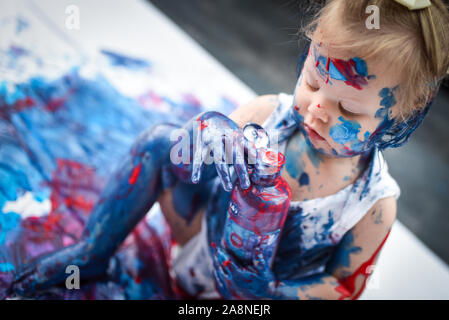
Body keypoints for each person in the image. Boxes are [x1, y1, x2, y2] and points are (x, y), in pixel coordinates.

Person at [11, 0, 449, 299]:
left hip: (252, 297)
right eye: (313, 81)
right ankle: (92, 251)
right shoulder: (268, 114)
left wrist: (268, 291)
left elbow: (340, 287)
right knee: (158, 142)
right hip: (196, 238)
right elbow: (184, 161)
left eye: (348, 111)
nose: (316, 109)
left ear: (399, 118)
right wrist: (208, 132)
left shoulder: (372, 207)